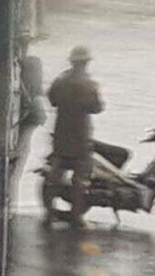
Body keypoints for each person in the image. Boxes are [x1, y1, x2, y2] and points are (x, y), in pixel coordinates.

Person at [45, 46, 104, 228]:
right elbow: (97, 107)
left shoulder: (60, 81)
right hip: (80, 136)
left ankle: (49, 214)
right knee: (80, 178)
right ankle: (77, 218)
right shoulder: (89, 84)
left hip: (61, 134)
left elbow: (52, 99)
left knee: (54, 175)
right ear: (86, 63)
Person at [10, 56, 47, 200]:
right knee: (16, 171)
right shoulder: (35, 96)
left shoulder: (23, 90)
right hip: (25, 131)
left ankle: (12, 201)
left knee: (15, 171)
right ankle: (12, 201)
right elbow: (39, 117)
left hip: (21, 131)